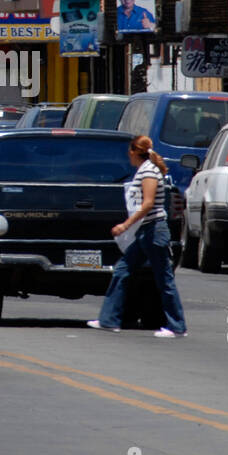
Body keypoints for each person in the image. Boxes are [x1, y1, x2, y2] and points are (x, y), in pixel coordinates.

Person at [89, 135, 187, 337]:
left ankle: (177, 326)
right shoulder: (144, 170)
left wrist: (125, 225)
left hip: (154, 230)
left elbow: (148, 203)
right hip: (145, 231)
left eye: (129, 152)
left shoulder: (149, 171)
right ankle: (109, 320)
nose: (128, 156)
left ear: (135, 151)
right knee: (122, 271)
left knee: (164, 279)